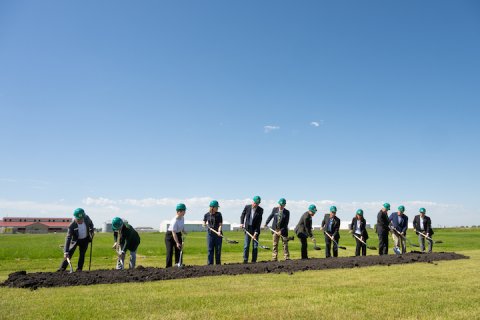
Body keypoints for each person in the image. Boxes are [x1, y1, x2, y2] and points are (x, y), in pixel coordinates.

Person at [58, 208, 94, 272]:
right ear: (75, 218)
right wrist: (66, 251)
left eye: (82, 218)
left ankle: (79, 270)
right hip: (75, 241)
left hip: (85, 239)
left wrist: (91, 231)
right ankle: (61, 269)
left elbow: (91, 224)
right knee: (69, 254)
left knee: (82, 255)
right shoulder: (72, 225)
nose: (81, 220)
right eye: (79, 219)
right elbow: (68, 238)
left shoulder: (87, 218)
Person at [240, 196, 264, 263]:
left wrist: (255, 233)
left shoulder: (260, 210)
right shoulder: (247, 207)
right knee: (246, 245)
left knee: (255, 247)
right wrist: (242, 223)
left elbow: (259, 222)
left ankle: (253, 261)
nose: (255, 205)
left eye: (257, 203)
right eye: (255, 203)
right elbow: (242, 215)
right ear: (252, 202)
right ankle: (245, 260)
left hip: (255, 229)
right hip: (248, 229)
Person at [165, 203, 187, 267]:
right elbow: (173, 232)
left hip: (178, 234)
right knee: (170, 251)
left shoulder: (182, 218)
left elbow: (182, 227)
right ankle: (168, 267)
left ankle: (178, 264)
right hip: (170, 236)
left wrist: (184, 231)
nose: (185, 212)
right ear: (179, 211)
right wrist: (177, 242)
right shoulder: (174, 220)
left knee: (179, 250)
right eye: (184, 211)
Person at [203, 200, 223, 265]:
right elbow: (204, 223)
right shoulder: (206, 215)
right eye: (216, 207)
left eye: (217, 207)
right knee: (210, 250)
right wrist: (204, 224)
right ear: (212, 207)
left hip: (218, 235)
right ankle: (210, 265)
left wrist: (219, 231)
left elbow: (220, 225)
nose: (217, 208)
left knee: (218, 250)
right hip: (210, 235)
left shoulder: (219, 214)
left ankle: (218, 265)